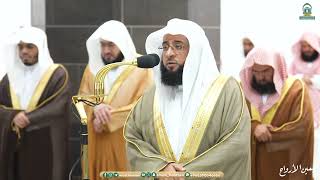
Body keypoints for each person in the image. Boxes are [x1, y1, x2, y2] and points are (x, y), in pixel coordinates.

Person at [124, 18, 251, 180]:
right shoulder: (151, 97)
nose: (169, 53)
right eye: (165, 46)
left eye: (178, 46)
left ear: (196, 52)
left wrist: (185, 175)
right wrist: (160, 167)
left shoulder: (227, 91)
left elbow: (236, 145)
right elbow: (133, 137)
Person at [78, 20, 153, 180]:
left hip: (125, 143)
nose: (106, 50)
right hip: (96, 142)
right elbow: (83, 98)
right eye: (103, 45)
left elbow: (145, 106)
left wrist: (108, 119)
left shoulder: (141, 68)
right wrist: (95, 109)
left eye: (111, 45)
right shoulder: (92, 68)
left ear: (122, 44)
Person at [0, 26, 71, 180]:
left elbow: (58, 107)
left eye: (29, 47)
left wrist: (28, 118)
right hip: (16, 145)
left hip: (46, 143)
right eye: (21, 47)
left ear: (40, 48)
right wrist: (13, 116)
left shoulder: (57, 74)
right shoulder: (9, 77)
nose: (24, 51)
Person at [240, 47, 314, 180]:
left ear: (277, 68)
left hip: (283, 168)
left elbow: (302, 127)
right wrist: (254, 128)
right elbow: (233, 122)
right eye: (255, 72)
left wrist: (268, 135)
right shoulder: (242, 89)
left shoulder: (295, 89)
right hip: (250, 169)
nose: (261, 77)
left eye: (266, 71)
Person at [289, 32, 320, 179]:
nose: (307, 49)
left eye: (309, 46)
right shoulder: (295, 62)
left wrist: (312, 80)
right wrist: (302, 77)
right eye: (304, 46)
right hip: (300, 109)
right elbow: (287, 78)